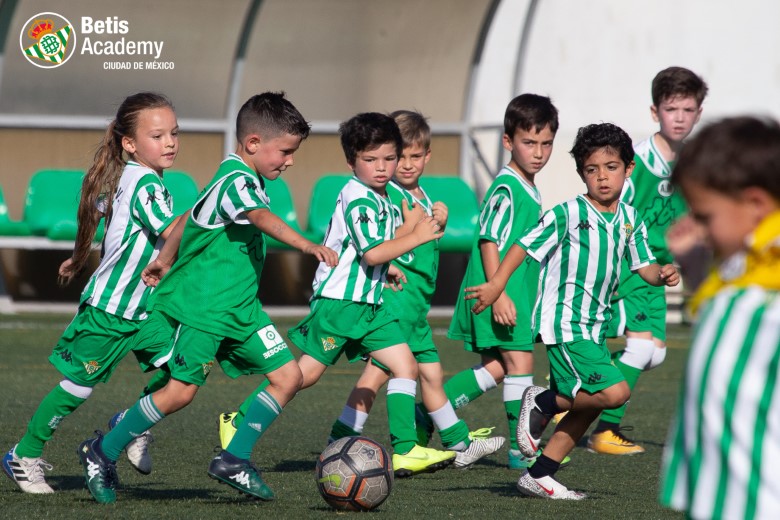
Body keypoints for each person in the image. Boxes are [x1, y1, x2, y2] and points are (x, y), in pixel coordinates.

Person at [75, 92, 338, 504]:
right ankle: (102, 452)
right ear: (253, 143)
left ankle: (234, 458)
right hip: (204, 308)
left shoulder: (241, 179)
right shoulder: (235, 179)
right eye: (284, 151)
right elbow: (261, 218)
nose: (289, 161)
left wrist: (163, 258)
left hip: (243, 309)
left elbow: (189, 216)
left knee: (289, 377)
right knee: (180, 392)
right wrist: (306, 246)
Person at [466, 123, 679, 499]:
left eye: (611, 167)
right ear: (581, 173)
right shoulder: (567, 214)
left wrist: (661, 274)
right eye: (592, 169)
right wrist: (497, 284)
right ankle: (542, 401)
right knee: (614, 393)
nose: (602, 177)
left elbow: (643, 266)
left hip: (595, 326)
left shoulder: (630, 219)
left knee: (590, 404)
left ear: (628, 169)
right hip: (565, 323)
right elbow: (522, 246)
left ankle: (541, 473)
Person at [1, 92, 182, 494]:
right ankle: (23, 455)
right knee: (77, 388)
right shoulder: (146, 184)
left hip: (145, 309)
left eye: (174, 132)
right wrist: (211, 220)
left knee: (179, 375)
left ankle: (127, 424)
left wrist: (79, 255)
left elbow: (98, 212)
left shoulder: (134, 179)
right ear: (129, 144)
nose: (169, 142)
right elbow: (173, 234)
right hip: (112, 310)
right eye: (157, 135)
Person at [262, 112, 453, 478]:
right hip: (339, 304)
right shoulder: (360, 198)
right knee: (302, 376)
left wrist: (389, 268)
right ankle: (241, 421)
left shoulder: (379, 193)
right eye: (370, 160)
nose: (382, 168)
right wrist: (416, 236)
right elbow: (371, 252)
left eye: (389, 159)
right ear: (351, 161)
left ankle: (406, 449)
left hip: (367, 304)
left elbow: (370, 251)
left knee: (404, 365)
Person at [323, 110, 504, 468]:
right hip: (396, 302)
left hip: (417, 305)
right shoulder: (386, 194)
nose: (405, 164)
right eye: (399, 156)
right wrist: (401, 246)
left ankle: (454, 442)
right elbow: (380, 242)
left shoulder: (421, 194)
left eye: (414, 156)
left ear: (428, 156)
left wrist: (440, 221)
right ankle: (407, 446)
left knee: (429, 373)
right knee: (381, 374)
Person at [660, 116, 780, 519]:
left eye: (706, 217)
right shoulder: (738, 271)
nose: (698, 228)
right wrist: (695, 267)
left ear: (756, 205)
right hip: (718, 501)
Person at [589, 67, 709, 455]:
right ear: (655, 112)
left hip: (659, 272)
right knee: (640, 349)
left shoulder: (691, 163)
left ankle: (576, 379)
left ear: (699, 113)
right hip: (631, 266)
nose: (679, 117)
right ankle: (605, 430)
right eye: (671, 108)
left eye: (687, 109)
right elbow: (606, 205)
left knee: (654, 355)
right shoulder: (636, 159)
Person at [445, 93, 558, 469]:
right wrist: (499, 293)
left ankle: (432, 409)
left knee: (497, 368)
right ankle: (520, 451)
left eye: (546, 143)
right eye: (529, 142)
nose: (539, 152)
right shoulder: (507, 186)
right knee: (520, 363)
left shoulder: (525, 185)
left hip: (506, 290)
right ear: (508, 141)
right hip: (498, 291)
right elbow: (489, 238)